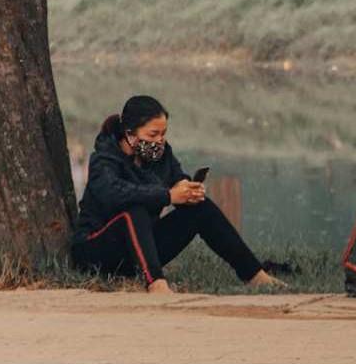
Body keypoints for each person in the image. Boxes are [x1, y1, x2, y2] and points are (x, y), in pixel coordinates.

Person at [71, 95, 283, 293]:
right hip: (97, 252)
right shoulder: (103, 160)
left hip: (140, 250)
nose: (159, 140)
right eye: (152, 134)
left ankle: (255, 275)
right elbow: (115, 195)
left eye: (163, 134)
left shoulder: (161, 153)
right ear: (129, 134)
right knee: (133, 211)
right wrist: (168, 196)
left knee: (200, 208)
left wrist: (187, 189)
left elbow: (177, 176)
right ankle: (157, 285)